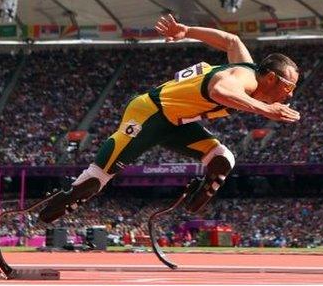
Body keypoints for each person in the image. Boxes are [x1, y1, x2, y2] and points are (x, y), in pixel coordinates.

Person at [38, 14, 301, 223]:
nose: (289, 95)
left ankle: (196, 197)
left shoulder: (246, 68)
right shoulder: (244, 78)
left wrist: (187, 31)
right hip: (150, 113)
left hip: (177, 122)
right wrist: (266, 110)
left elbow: (231, 40)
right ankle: (65, 198)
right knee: (100, 176)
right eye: (289, 87)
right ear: (270, 78)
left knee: (222, 158)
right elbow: (219, 91)